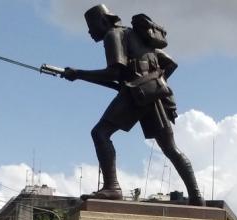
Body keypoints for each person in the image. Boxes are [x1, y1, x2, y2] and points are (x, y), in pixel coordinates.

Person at [62, 4, 204, 206]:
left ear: (103, 21)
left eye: (91, 25)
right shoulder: (136, 36)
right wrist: (154, 82)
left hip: (137, 94)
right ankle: (197, 198)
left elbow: (114, 73)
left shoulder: (113, 35)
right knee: (171, 148)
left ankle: (112, 187)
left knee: (100, 133)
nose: (89, 31)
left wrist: (79, 74)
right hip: (152, 95)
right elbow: (170, 63)